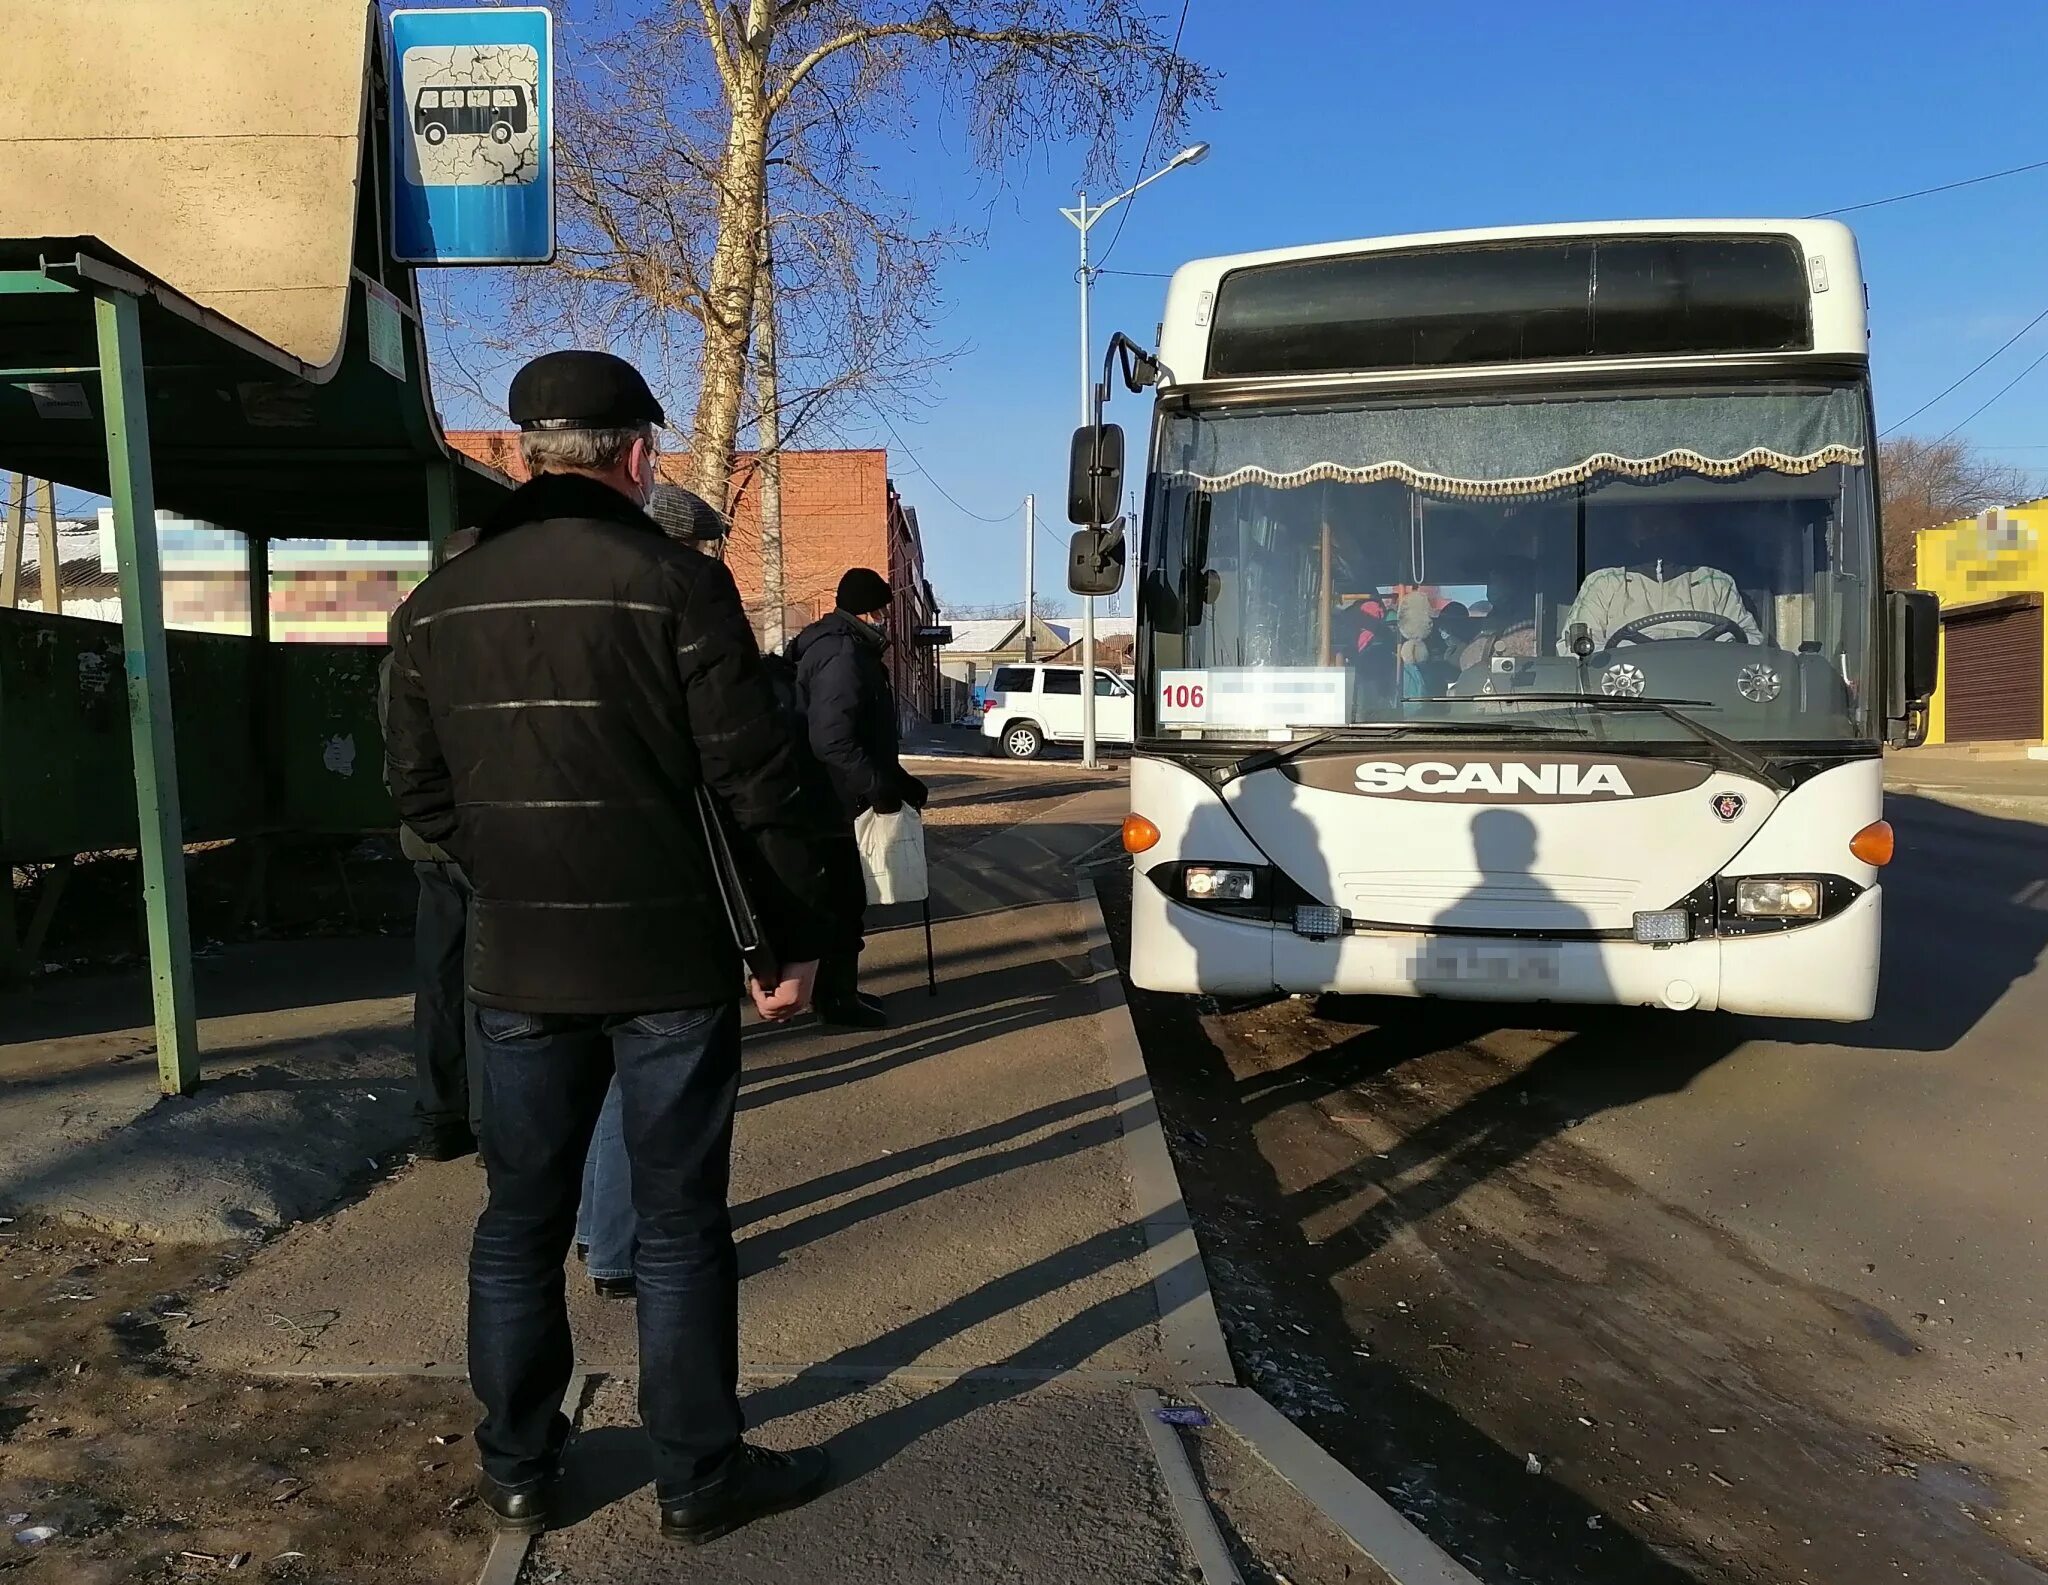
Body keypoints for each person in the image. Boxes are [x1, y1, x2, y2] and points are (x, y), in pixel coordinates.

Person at [382, 349, 835, 1545]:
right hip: (667, 963)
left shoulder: (433, 606)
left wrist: (508, 879)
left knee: (517, 1222)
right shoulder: (676, 585)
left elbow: (419, 795)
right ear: (637, 454)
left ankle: (520, 1469)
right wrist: (790, 938)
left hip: (516, 962)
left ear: (529, 452)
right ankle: (698, 1477)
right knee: (680, 1225)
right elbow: (757, 781)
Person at [376, 522, 484, 1162]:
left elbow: (400, 755)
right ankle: (491, 1115)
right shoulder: (475, 640)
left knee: (438, 980)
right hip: (479, 836)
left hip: (425, 840)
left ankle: (440, 1118)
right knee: (492, 982)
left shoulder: (403, 643)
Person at [786, 568, 928, 1030]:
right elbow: (833, 740)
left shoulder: (843, 647)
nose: (887, 618)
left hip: (835, 798)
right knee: (843, 903)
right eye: (883, 609)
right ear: (867, 609)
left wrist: (899, 781)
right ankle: (836, 999)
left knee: (841, 901)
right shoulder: (843, 653)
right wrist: (879, 788)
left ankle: (837, 992)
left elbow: (862, 735)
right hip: (832, 803)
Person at [1558, 504, 1763, 652]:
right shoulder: (1604, 583)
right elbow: (1576, 647)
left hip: (1705, 686)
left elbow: (1750, 642)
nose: (1656, 528)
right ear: (1630, 530)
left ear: (1682, 527)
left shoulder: (1715, 582)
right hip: (1623, 694)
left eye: (1664, 520)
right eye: (1646, 521)